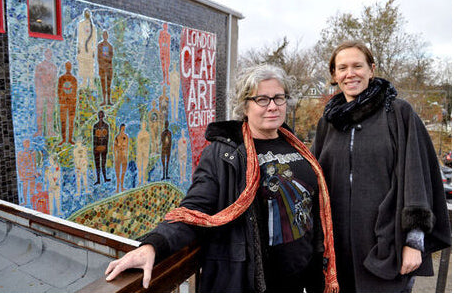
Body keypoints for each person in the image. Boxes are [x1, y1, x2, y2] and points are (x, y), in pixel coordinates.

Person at [105, 64, 339, 292]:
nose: (273, 106)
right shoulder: (224, 154)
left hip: (298, 282)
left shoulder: (296, 146)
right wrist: (153, 245)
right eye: (262, 99)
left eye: (279, 98)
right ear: (244, 106)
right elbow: (195, 208)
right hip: (251, 282)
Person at [311, 41, 451, 292]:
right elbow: (313, 179)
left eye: (357, 66)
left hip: (387, 246)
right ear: (334, 75)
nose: (350, 73)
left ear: (371, 69)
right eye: (342, 68)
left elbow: (417, 178)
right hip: (337, 250)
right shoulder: (329, 121)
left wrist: (414, 243)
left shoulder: (398, 113)